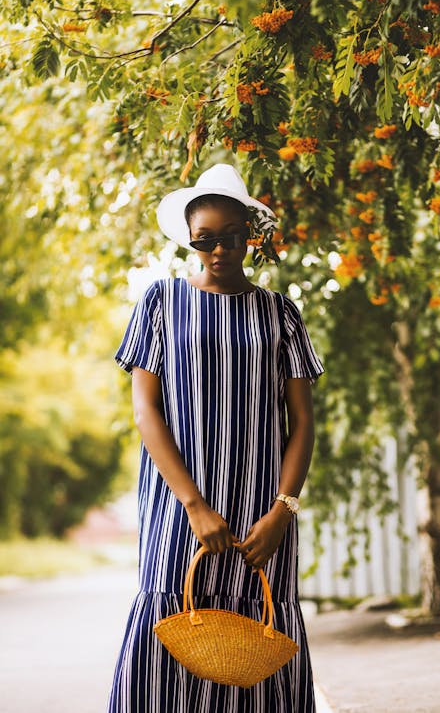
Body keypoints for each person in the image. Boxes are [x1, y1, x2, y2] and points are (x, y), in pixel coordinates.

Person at [107, 164, 324, 712]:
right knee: (170, 629)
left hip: (262, 519)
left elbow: (303, 421)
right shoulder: (161, 302)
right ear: (190, 240)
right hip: (178, 510)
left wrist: (283, 511)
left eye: (230, 238)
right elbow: (145, 411)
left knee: (261, 639)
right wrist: (195, 506)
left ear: (249, 234)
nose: (218, 251)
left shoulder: (281, 314)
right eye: (203, 241)